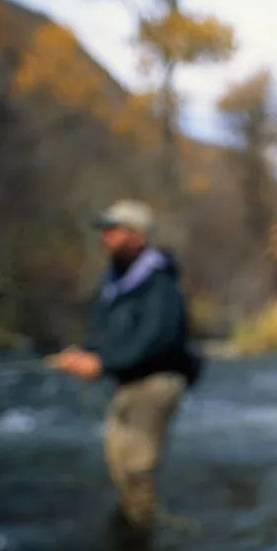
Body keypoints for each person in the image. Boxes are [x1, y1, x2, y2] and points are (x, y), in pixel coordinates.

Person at [47, 199, 199, 528]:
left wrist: (101, 365)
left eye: (113, 230)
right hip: (128, 379)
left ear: (137, 235)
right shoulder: (116, 280)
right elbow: (104, 333)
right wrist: (82, 352)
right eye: (105, 230)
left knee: (137, 465)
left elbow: (157, 339)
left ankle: (148, 530)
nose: (105, 237)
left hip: (158, 382)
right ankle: (136, 523)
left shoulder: (159, 282)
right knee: (117, 459)